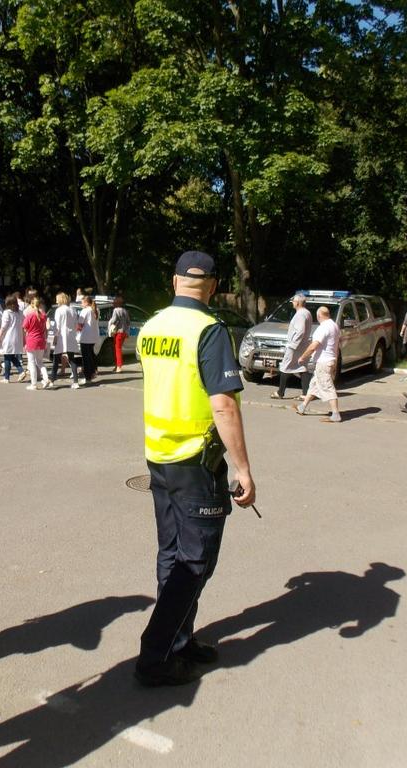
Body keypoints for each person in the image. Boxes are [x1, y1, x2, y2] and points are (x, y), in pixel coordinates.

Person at [135, 250, 256, 687]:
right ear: (213, 285)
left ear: (174, 282)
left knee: (172, 555)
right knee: (196, 561)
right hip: (195, 463)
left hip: (159, 457)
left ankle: (179, 641)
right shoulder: (208, 330)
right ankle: (156, 656)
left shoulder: (152, 327)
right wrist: (243, 469)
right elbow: (222, 403)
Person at [295, 306, 341, 422]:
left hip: (323, 362)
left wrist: (302, 357)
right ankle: (302, 407)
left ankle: (336, 414)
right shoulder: (334, 325)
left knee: (327, 386)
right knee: (314, 384)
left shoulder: (323, 328)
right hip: (331, 360)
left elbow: (314, 346)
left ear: (319, 316)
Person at [273, 294, 313, 400]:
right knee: (302, 367)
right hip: (302, 345)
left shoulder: (300, 314)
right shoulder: (307, 313)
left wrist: (293, 345)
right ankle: (305, 393)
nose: (292, 302)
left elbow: (300, 331)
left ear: (298, 303)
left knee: (285, 367)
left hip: (296, 346)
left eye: (294, 301)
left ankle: (280, 392)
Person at [45, 292, 80, 389]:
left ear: (60, 299)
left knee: (56, 358)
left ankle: (52, 379)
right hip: (71, 336)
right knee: (72, 358)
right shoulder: (72, 310)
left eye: (57, 299)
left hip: (61, 336)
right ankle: (76, 381)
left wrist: (55, 337)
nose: (56, 300)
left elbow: (57, 326)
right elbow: (75, 324)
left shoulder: (59, 310)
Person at [0, 295, 25, 382]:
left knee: (7, 357)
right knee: (12, 356)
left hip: (8, 337)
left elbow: (4, 327)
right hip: (18, 336)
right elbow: (24, 325)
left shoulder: (7, 312)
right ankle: (21, 371)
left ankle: (7, 378)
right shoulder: (20, 312)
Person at [22, 297, 48, 390]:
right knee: (40, 362)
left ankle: (33, 384)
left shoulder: (30, 315)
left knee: (32, 362)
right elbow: (45, 329)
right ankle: (46, 378)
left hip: (31, 340)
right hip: (41, 340)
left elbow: (25, 328)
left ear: (32, 305)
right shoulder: (43, 315)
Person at [77, 294, 100, 384]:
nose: (81, 304)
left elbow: (80, 325)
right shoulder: (96, 309)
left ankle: (88, 377)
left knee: (86, 358)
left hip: (86, 337)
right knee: (91, 355)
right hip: (93, 336)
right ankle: (93, 372)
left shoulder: (85, 311)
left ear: (86, 303)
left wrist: (75, 332)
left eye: (82, 302)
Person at [108, 295, 131, 373]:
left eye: (114, 302)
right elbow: (128, 322)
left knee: (117, 350)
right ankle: (117, 365)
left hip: (118, 332)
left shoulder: (116, 310)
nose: (113, 303)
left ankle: (119, 366)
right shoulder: (125, 311)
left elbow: (114, 320)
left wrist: (110, 322)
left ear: (117, 303)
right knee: (119, 349)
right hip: (124, 332)